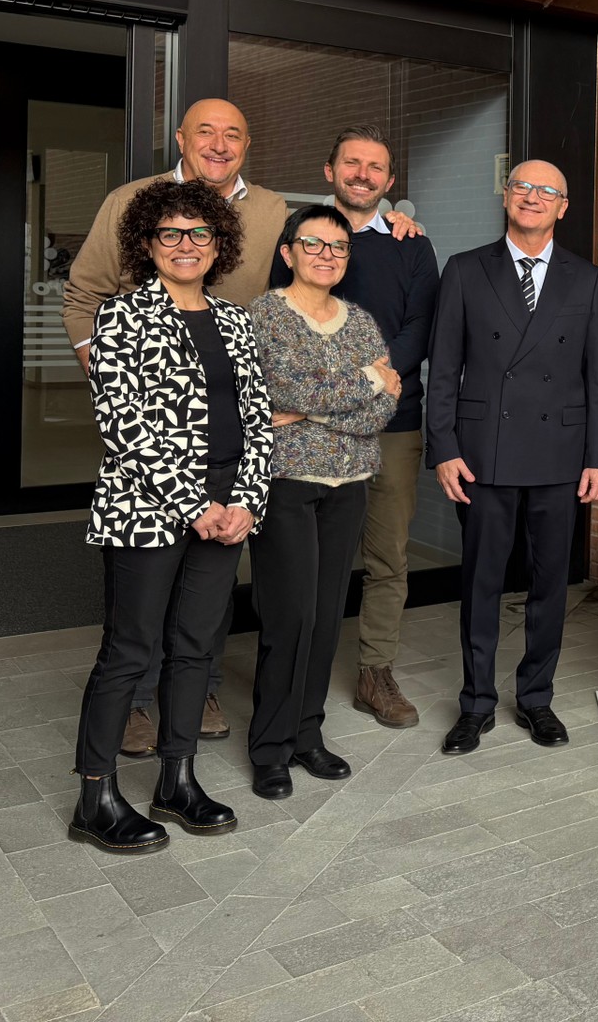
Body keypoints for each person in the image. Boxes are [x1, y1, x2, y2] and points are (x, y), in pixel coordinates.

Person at [64, 99, 416, 755]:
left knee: (211, 569)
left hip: (234, 423)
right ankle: (138, 701)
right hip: (156, 422)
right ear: (180, 139)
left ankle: (191, 690)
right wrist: (111, 377)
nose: (219, 144)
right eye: (205, 131)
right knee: (146, 572)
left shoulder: (272, 211)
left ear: (248, 145)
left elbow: (318, 258)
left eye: (233, 134)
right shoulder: (131, 202)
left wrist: (384, 223)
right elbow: (83, 295)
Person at [69, 179, 271, 852]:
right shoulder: (121, 317)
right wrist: (197, 505)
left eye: (199, 233)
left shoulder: (236, 320)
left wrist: (245, 503)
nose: (186, 246)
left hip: (226, 507)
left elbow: (257, 423)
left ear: (219, 244)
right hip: (147, 508)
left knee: (195, 647)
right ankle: (95, 796)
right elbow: (122, 425)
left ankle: (176, 780)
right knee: (130, 651)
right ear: (147, 244)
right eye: (170, 234)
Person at [426, 160, 598, 756]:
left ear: (564, 207)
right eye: (522, 187)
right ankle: (476, 703)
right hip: (485, 454)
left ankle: (537, 698)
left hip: (560, 455)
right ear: (506, 198)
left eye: (547, 192)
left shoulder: (587, 279)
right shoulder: (464, 270)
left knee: (549, 586)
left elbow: (597, 375)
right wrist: (445, 448)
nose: (532, 197)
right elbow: (443, 368)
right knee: (481, 583)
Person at [269, 126, 438, 730]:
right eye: (352, 164)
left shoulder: (411, 245)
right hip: (309, 429)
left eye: (376, 168)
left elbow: (421, 325)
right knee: (311, 561)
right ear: (329, 170)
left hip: (393, 420)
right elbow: (285, 318)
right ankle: (293, 676)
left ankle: (375, 672)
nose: (363, 175)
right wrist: (344, 393)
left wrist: (375, 378)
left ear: (389, 184)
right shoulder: (302, 237)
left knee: (388, 554)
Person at [247, 207, 402, 800]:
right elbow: (282, 386)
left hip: (350, 485)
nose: (327, 254)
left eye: (339, 247)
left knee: (327, 613)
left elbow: (385, 405)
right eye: (313, 244)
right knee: (290, 618)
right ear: (288, 252)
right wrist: (359, 385)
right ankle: (270, 747)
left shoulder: (360, 320)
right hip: (287, 482)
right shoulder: (263, 317)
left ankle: (307, 734)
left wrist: (311, 410)